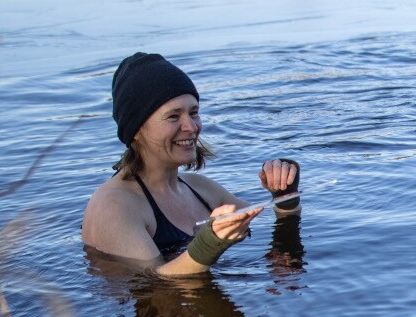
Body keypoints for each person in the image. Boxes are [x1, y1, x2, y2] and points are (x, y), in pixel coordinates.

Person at [82, 52, 301, 275]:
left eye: (194, 113)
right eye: (173, 116)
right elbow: (157, 282)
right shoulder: (113, 205)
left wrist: (284, 193)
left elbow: (280, 222)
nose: (191, 126)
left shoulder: (199, 187)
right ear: (136, 129)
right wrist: (210, 243)